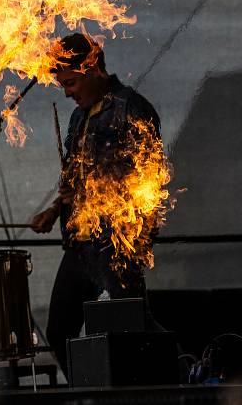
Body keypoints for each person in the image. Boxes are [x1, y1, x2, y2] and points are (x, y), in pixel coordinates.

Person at [31, 32, 162, 376]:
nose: (67, 92)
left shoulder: (131, 108)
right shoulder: (78, 118)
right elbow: (74, 182)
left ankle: (187, 373)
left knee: (133, 332)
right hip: (80, 247)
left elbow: (150, 178)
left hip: (115, 243)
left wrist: (135, 236)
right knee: (59, 333)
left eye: (71, 83)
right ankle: (88, 394)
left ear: (92, 69)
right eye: (63, 85)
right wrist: (55, 209)